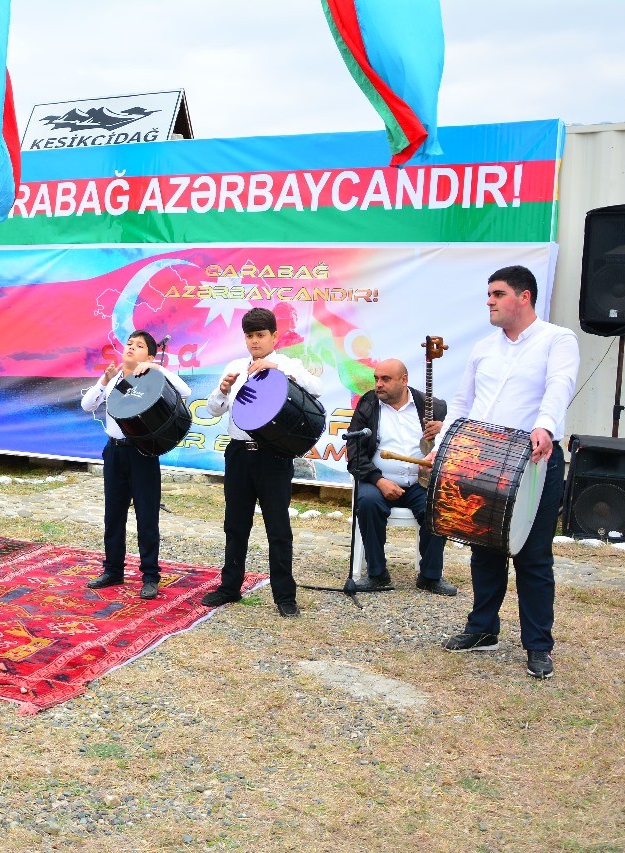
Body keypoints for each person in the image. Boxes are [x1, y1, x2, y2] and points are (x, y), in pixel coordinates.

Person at [427, 265, 578, 680]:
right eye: (488, 294)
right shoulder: (483, 348)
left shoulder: (557, 339)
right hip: (482, 458)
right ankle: (482, 629)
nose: (489, 301)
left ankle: (538, 646)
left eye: (498, 294)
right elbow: (462, 403)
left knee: (532, 556)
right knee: (484, 548)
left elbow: (560, 385)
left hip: (535, 459)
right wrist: (442, 450)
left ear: (524, 296)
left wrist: (544, 426)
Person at [202, 307, 322, 617]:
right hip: (238, 453)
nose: (255, 341)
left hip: (273, 454)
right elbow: (214, 409)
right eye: (249, 336)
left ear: (274, 337)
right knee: (235, 524)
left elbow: (317, 389)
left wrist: (278, 369)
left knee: (278, 527)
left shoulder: (286, 363)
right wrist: (223, 390)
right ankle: (230, 587)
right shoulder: (235, 366)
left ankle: (285, 597)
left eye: (260, 335)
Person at [80, 330, 192, 600]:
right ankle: (113, 570)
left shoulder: (152, 377)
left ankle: (150, 576)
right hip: (114, 452)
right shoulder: (115, 379)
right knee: (113, 515)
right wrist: (104, 379)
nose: (131, 347)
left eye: (139, 346)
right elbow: (87, 405)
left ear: (150, 356)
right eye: (129, 343)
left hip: (142, 453)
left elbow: (185, 391)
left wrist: (157, 369)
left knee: (146, 516)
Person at [345, 358, 454, 595]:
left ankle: (430, 576)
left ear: (404, 380)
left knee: (438, 506)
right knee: (368, 502)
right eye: (376, 379)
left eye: (386, 379)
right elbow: (355, 453)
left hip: (419, 482)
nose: (378, 384)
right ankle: (377, 574)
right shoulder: (368, 405)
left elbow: (454, 446)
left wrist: (444, 431)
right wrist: (379, 481)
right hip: (379, 480)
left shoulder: (431, 407)